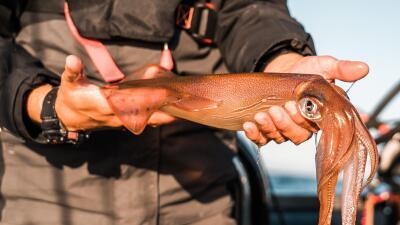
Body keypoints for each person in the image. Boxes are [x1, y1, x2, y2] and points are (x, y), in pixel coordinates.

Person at [0, 0, 369, 224]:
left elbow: (250, 11)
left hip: (200, 195)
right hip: (48, 190)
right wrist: (45, 104)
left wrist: (283, 59)